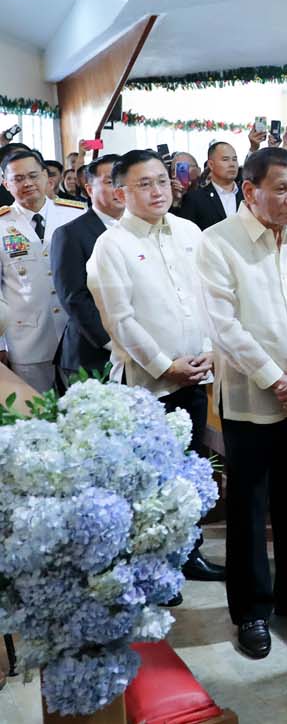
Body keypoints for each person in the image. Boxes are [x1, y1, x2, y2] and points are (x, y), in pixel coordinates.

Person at [195, 147, 287, 661]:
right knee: (249, 507)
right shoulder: (217, 243)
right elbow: (224, 324)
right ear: (250, 190)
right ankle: (252, 611)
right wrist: (275, 377)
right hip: (251, 398)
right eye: (280, 189)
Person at [87, 148, 226, 585]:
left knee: (190, 468)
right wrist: (165, 366)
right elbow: (120, 320)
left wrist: (207, 349)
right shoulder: (111, 244)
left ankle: (189, 553)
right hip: (148, 384)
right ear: (120, 192)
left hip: (196, 372)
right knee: (150, 478)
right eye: (143, 184)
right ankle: (154, 569)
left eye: (162, 181)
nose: (156, 191)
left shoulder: (189, 232)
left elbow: (209, 296)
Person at [0, 150, 86, 391]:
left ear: (47, 177)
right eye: (18, 179)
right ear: (6, 184)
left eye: (33, 175)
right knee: (38, 418)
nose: (27, 183)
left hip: (77, 335)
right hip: (27, 340)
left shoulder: (76, 214)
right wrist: (1, 344)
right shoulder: (2, 224)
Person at [50, 154, 122, 390]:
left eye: (124, 180)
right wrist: (111, 342)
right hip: (92, 354)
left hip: (139, 350)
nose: (120, 188)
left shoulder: (141, 229)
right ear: (90, 188)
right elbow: (74, 296)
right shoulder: (71, 233)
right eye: (111, 181)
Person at [178, 141, 242, 230]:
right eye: (225, 159)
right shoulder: (195, 199)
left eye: (234, 159)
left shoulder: (248, 195)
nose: (232, 164)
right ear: (211, 165)